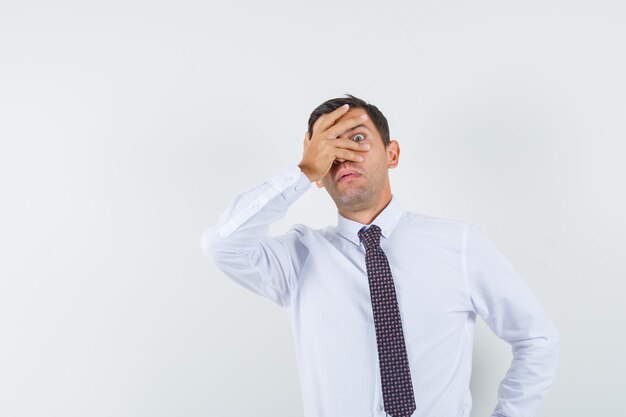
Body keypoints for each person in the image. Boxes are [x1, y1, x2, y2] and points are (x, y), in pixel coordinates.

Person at [200, 94, 560, 417]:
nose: (342, 156)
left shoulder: (461, 245)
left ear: (393, 154)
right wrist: (302, 172)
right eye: (329, 147)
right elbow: (222, 244)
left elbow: (536, 338)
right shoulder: (297, 260)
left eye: (357, 139)